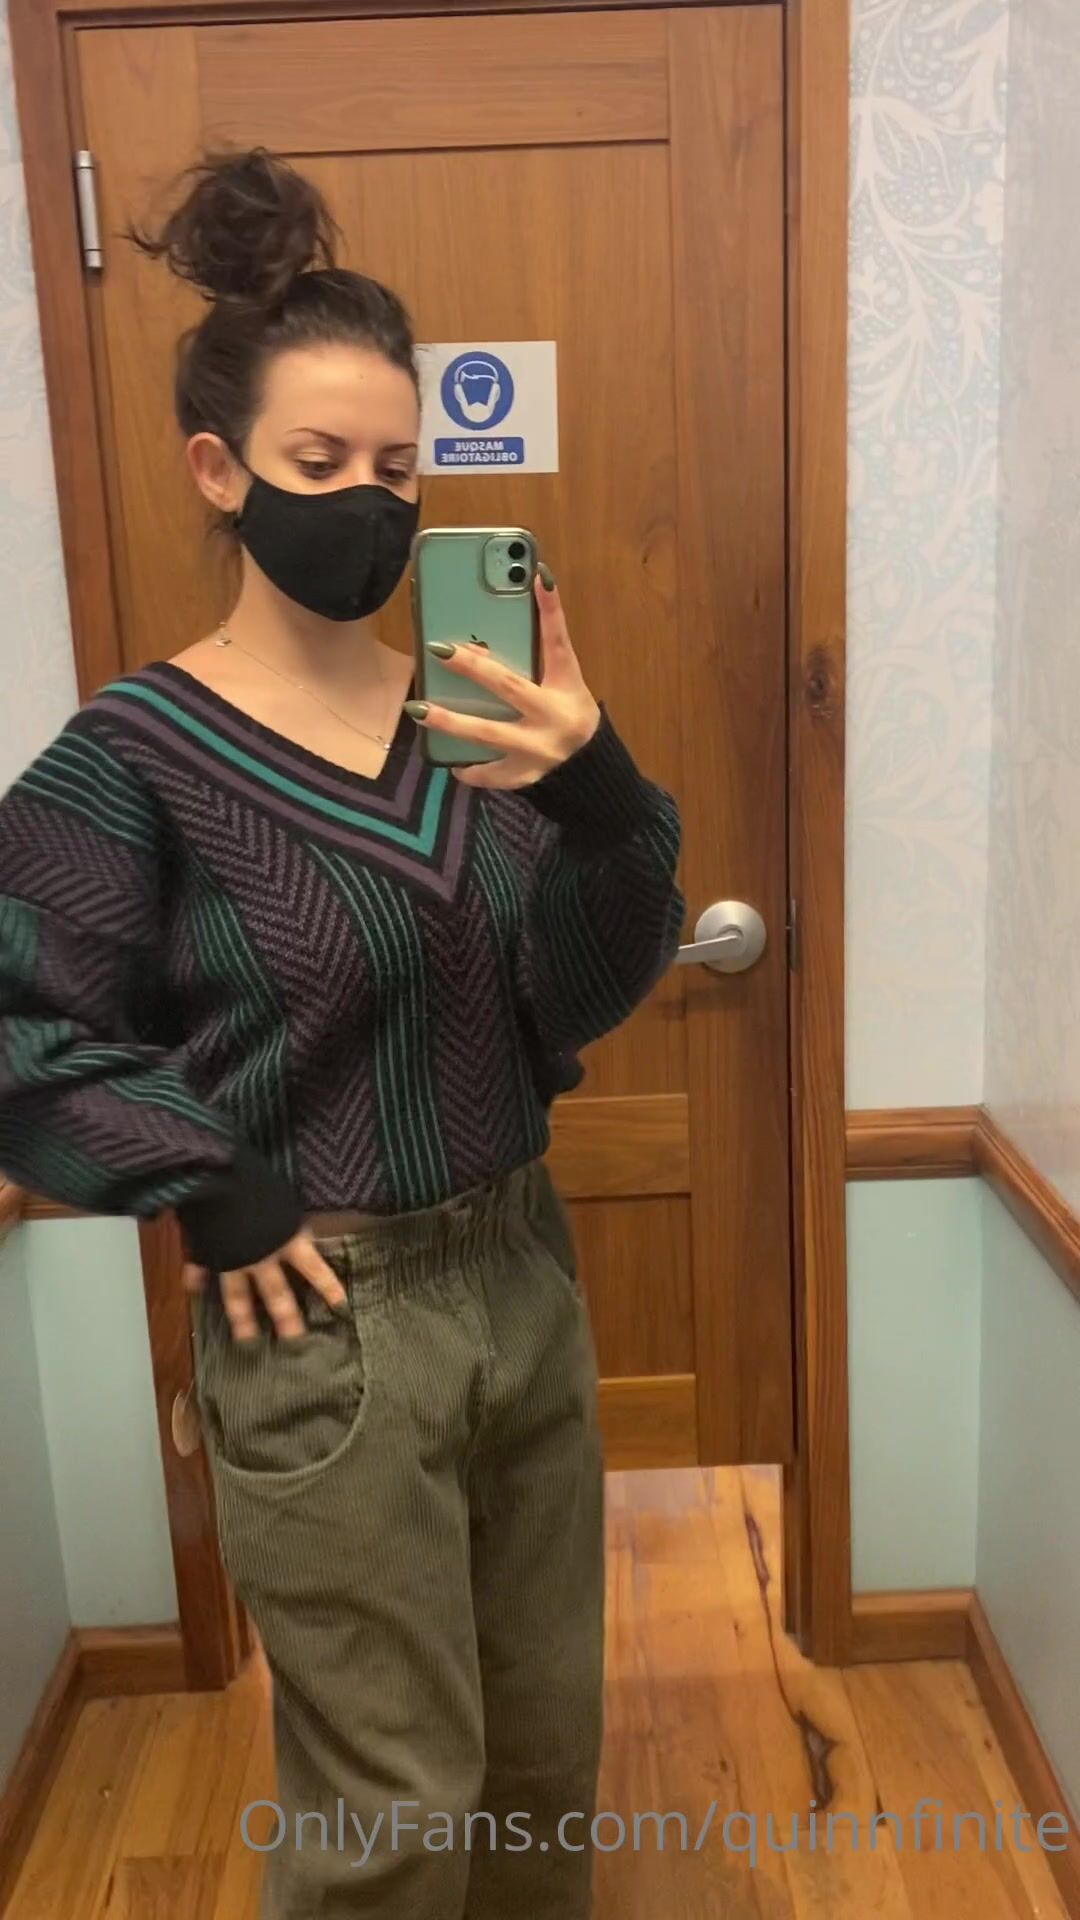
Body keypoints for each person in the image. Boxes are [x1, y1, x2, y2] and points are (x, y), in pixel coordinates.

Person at [0, 150, 684, 1919]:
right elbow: (18, 1018)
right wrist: (209, 1183)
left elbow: (577, 991)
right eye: (322, 466)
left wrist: (602, 797)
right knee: (391, 1810)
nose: (371, 508)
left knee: (540, 1760)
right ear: (218, 472)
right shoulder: (132, 759)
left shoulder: (480, 728)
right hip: (324, 1320)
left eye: (400, 470)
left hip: (519, 1276)